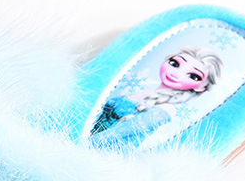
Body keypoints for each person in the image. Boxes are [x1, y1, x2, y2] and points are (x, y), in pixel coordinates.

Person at [91, 46, 224, 148]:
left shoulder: (164, 110)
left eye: (193, 76)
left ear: (201, 87)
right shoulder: (144, 93)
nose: (175, 73)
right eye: (174, 64)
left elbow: (118, 134)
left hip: (100, 150)